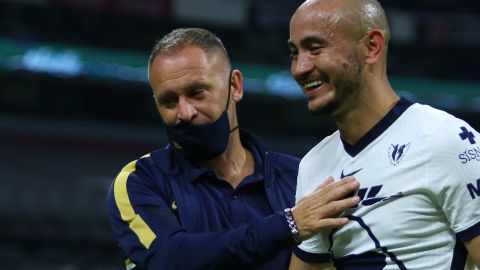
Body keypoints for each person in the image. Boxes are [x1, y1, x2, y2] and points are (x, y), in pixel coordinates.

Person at [107, 28, 360, 270]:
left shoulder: (300, 176)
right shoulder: (139, 182)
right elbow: (171, 259)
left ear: (235, 86)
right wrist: (289, 224)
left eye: (197, 93)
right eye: (169, 101)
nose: (185, 112)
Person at [287, 0, 480, 269]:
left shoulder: (445, 139)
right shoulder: (313, 164)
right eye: (294, 52)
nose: (299, 68)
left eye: (315, 48)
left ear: (372, 47)